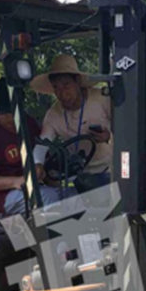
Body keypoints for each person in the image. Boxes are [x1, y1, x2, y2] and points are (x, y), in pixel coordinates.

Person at [0, 78, 65, 216]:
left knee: (73, 195)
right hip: (4, 196)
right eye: (8, 121)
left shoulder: (30, 124)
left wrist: (42, 171)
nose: (14, 125)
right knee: (49, 198)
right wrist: (16, 182)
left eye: (16, 118)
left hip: (36, 187)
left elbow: (42, 158)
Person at [30, 55, 112, 190]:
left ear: (77, 82)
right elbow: (42, 144)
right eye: (56, 87)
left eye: (66, 85)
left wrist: (108, 137)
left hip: (110, 172)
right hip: (79, 177)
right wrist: (37, 163)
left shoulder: (102, 99)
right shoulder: (53, 114)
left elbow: (126, 130)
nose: (62, 93)